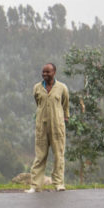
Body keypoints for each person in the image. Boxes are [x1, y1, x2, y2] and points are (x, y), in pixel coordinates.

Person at [26, 63, 70, 193]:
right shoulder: (37, 88)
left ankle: (58, 183)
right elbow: (38, 102)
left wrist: (65, 117)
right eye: (43, 72)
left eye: (48, 72)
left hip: (57, 126)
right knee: (40, 156)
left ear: (54, 72)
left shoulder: (62, 88)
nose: (45, 74)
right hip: (41, 126)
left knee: (58, 155)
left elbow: (65, 104)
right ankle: (35, 185)